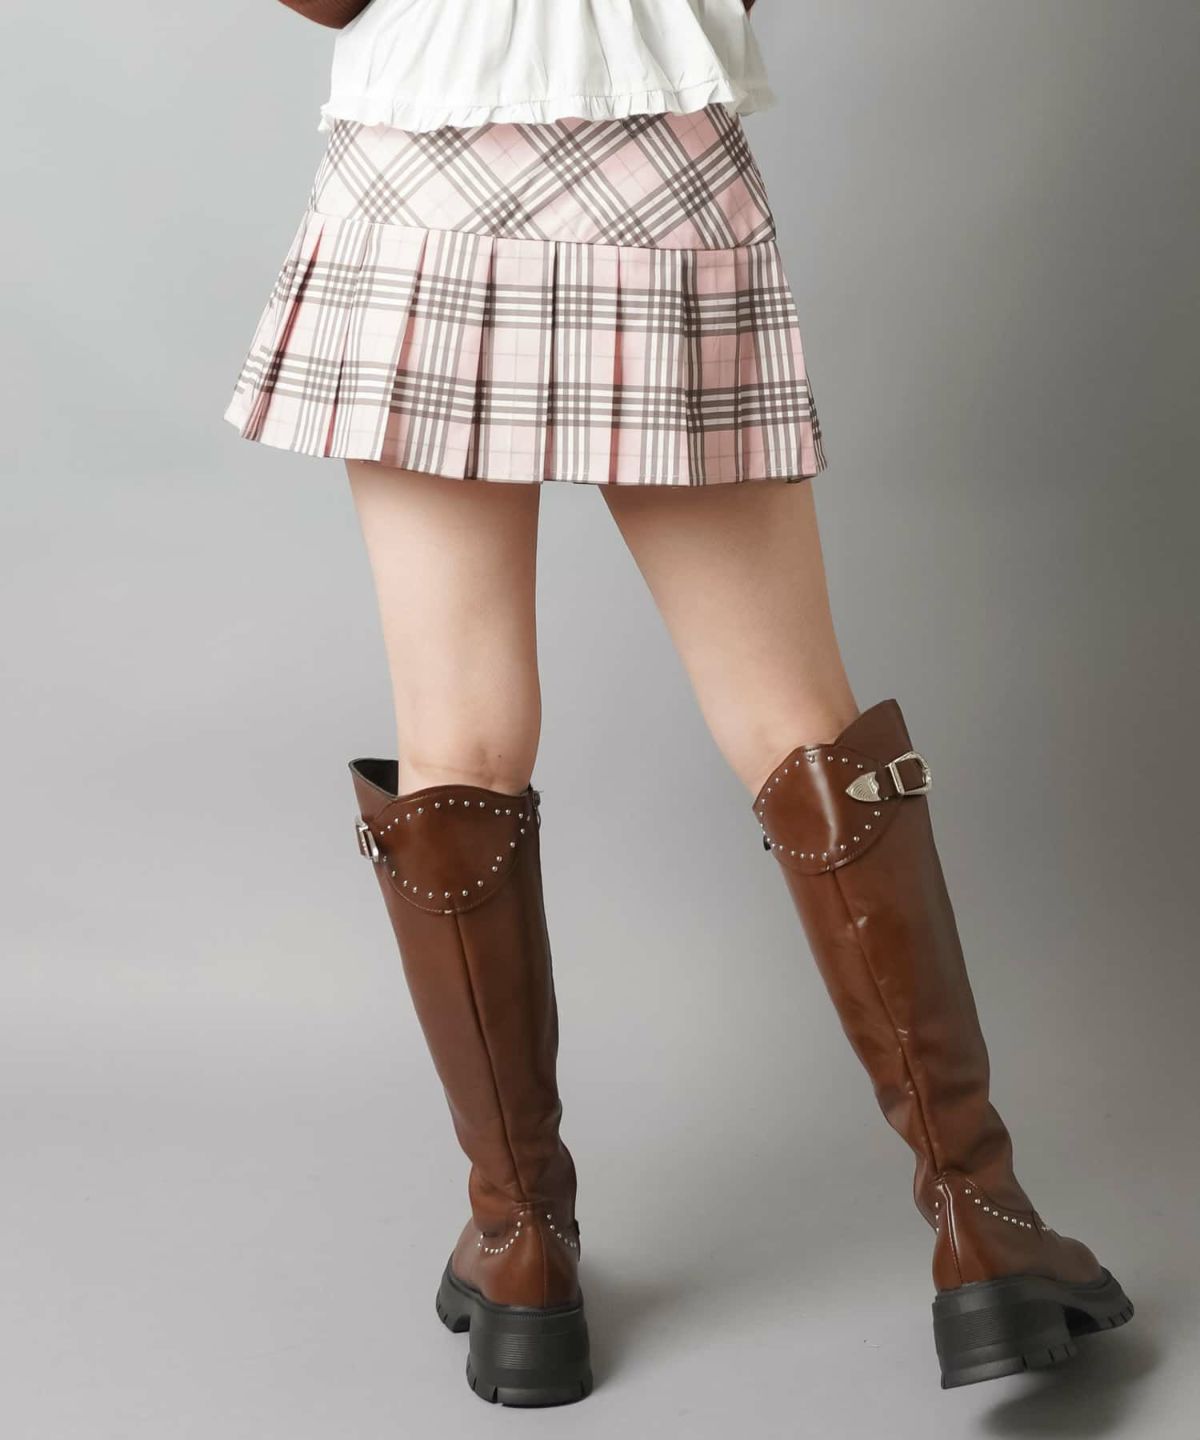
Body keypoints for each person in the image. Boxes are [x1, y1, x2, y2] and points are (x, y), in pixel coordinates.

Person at [225, 0, 1132, 1408]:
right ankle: (983, 1222)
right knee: (793, 714)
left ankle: (522, 1248)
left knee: (457, 733)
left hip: (416, 174)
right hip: (655, 166)